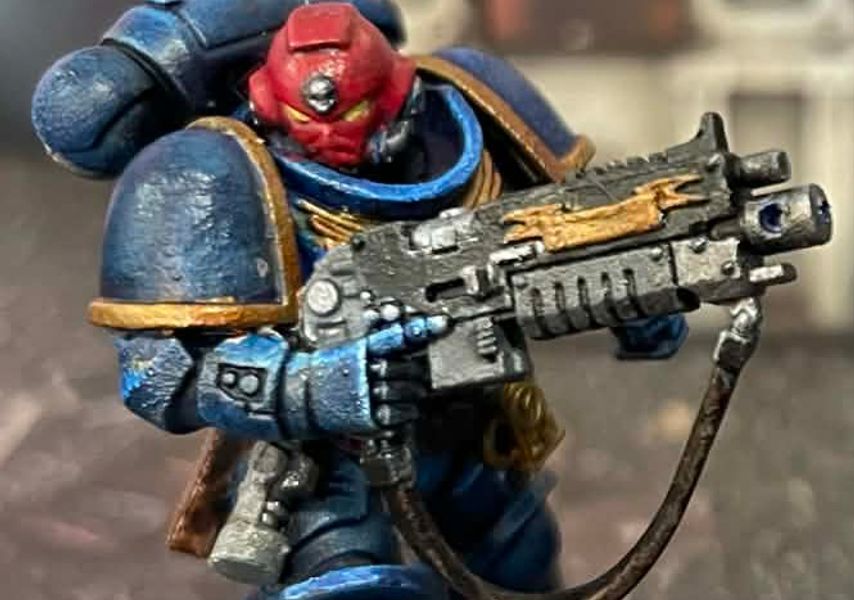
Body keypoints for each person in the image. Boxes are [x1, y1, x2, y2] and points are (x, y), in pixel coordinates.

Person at [32, 2, 688, 598]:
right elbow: (158, 375)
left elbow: (572, 214)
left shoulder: (466, 102)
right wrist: (317, 388)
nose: (336, 140)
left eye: (354, 116)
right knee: (347, 586)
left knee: (521, 564)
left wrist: (642, 290)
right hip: (327, 461)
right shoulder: (209, 171)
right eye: (311, 122)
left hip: (469, 425)